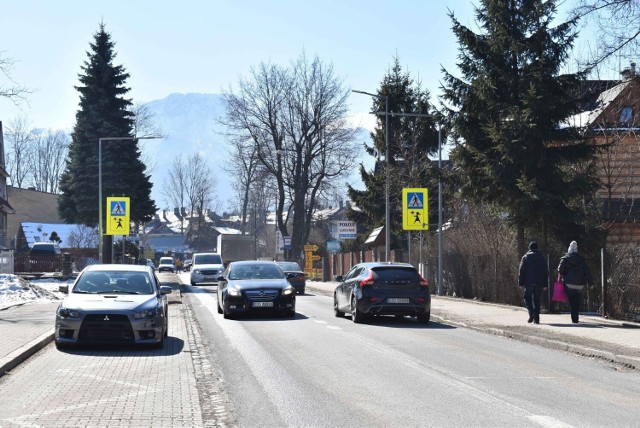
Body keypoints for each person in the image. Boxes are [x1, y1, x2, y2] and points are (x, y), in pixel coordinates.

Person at [558, 241, 593, 324]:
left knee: (571, 301)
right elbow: (587, 272)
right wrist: (591, 283)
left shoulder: (565, 259)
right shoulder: (581, 260)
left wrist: (565, 274)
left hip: (569, 283)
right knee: (577, 301)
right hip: (580, 284)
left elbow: (560, 270)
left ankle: (574, 318)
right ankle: (575, 317)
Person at [518, 241, 549, 324]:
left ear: (529, 248)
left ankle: (531, 312)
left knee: (527, 297)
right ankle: (537, 318)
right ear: (537, 248)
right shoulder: (542, 258)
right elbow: (546, 272)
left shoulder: (525, 257)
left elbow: (522, 270)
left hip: (528, 282)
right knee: (537, 300)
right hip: (539, 282)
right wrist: (545, 284)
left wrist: (520, 283)